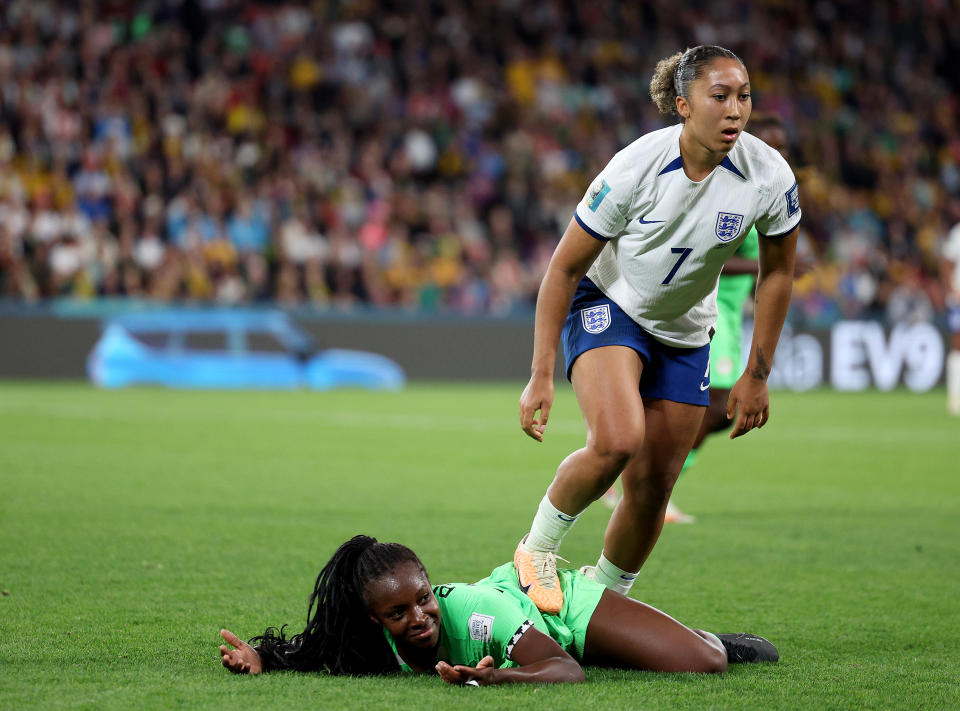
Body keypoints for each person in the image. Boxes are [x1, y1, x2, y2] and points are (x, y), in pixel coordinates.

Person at [515, 45, 800, 613]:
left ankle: (603, 601)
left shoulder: (768, 174)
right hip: (610, 302)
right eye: (718, 96)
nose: (735, 110)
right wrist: (541, 373)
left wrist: (757, 374)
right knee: (619, 440)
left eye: (743, 96)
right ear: (682, 105)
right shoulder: (633, 168)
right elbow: (564, 268)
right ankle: (537, 549)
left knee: (654, 486)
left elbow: (779, 273)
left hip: (687, 328)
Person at [218, 535, 777, 685]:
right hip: (538, 634)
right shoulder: (370, 639)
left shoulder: (476, 611)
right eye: (398, 614)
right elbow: (315, 649)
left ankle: (707, 635)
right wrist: (263, 659)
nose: (418, 617)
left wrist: (494, 679)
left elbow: (566, 670)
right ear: (375, 621)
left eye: (422, 598)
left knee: (705, 664)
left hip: (557, 609)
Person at [601, 113, 799, 524]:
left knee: (708, 409)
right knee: (716, 406)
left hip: (726, 312)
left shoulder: (765, 187)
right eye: (772, 142)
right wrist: (764, 269)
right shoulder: (725, 187)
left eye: (783, 146)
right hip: (705, 311)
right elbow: (701, 259)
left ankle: (643, 480)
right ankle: (644, 481)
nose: (777, 151)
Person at [943, 219, 960, 415]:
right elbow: (946, 261)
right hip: (959, 298)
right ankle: (955, 396)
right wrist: (952, 289)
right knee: (958, 343)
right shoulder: (958, 232)